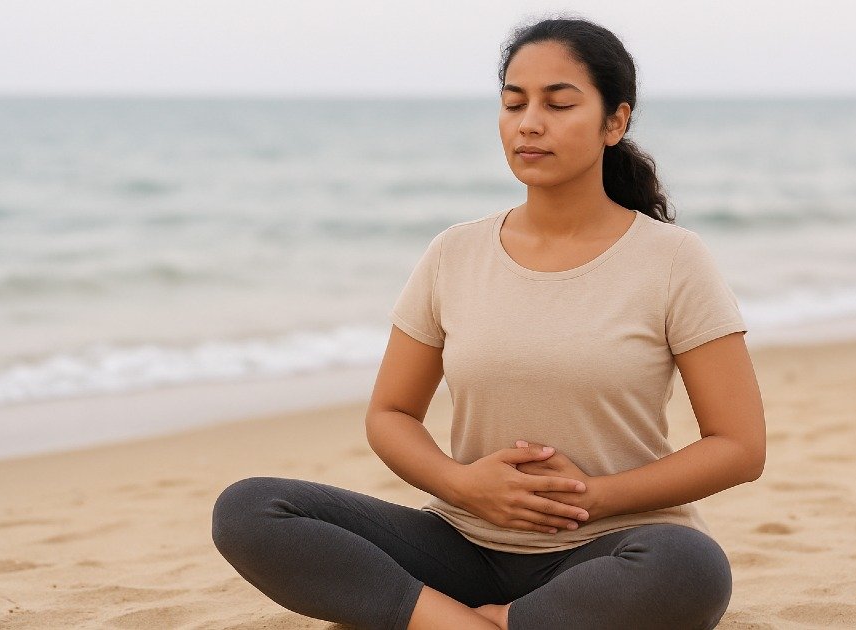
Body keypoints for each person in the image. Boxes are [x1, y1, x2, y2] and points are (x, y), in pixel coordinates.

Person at [211, 15, 766, 630]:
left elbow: (738, 447)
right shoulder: (455, 253)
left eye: (558, 104)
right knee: (251, 508)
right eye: (513, 102)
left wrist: (592, 496)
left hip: (613, 547)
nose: (529, 122)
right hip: (463, 545)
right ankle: (470, 623)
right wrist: (464, 485)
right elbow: (390, 415)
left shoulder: (672, 260)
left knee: (691, 566)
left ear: (616, 121)